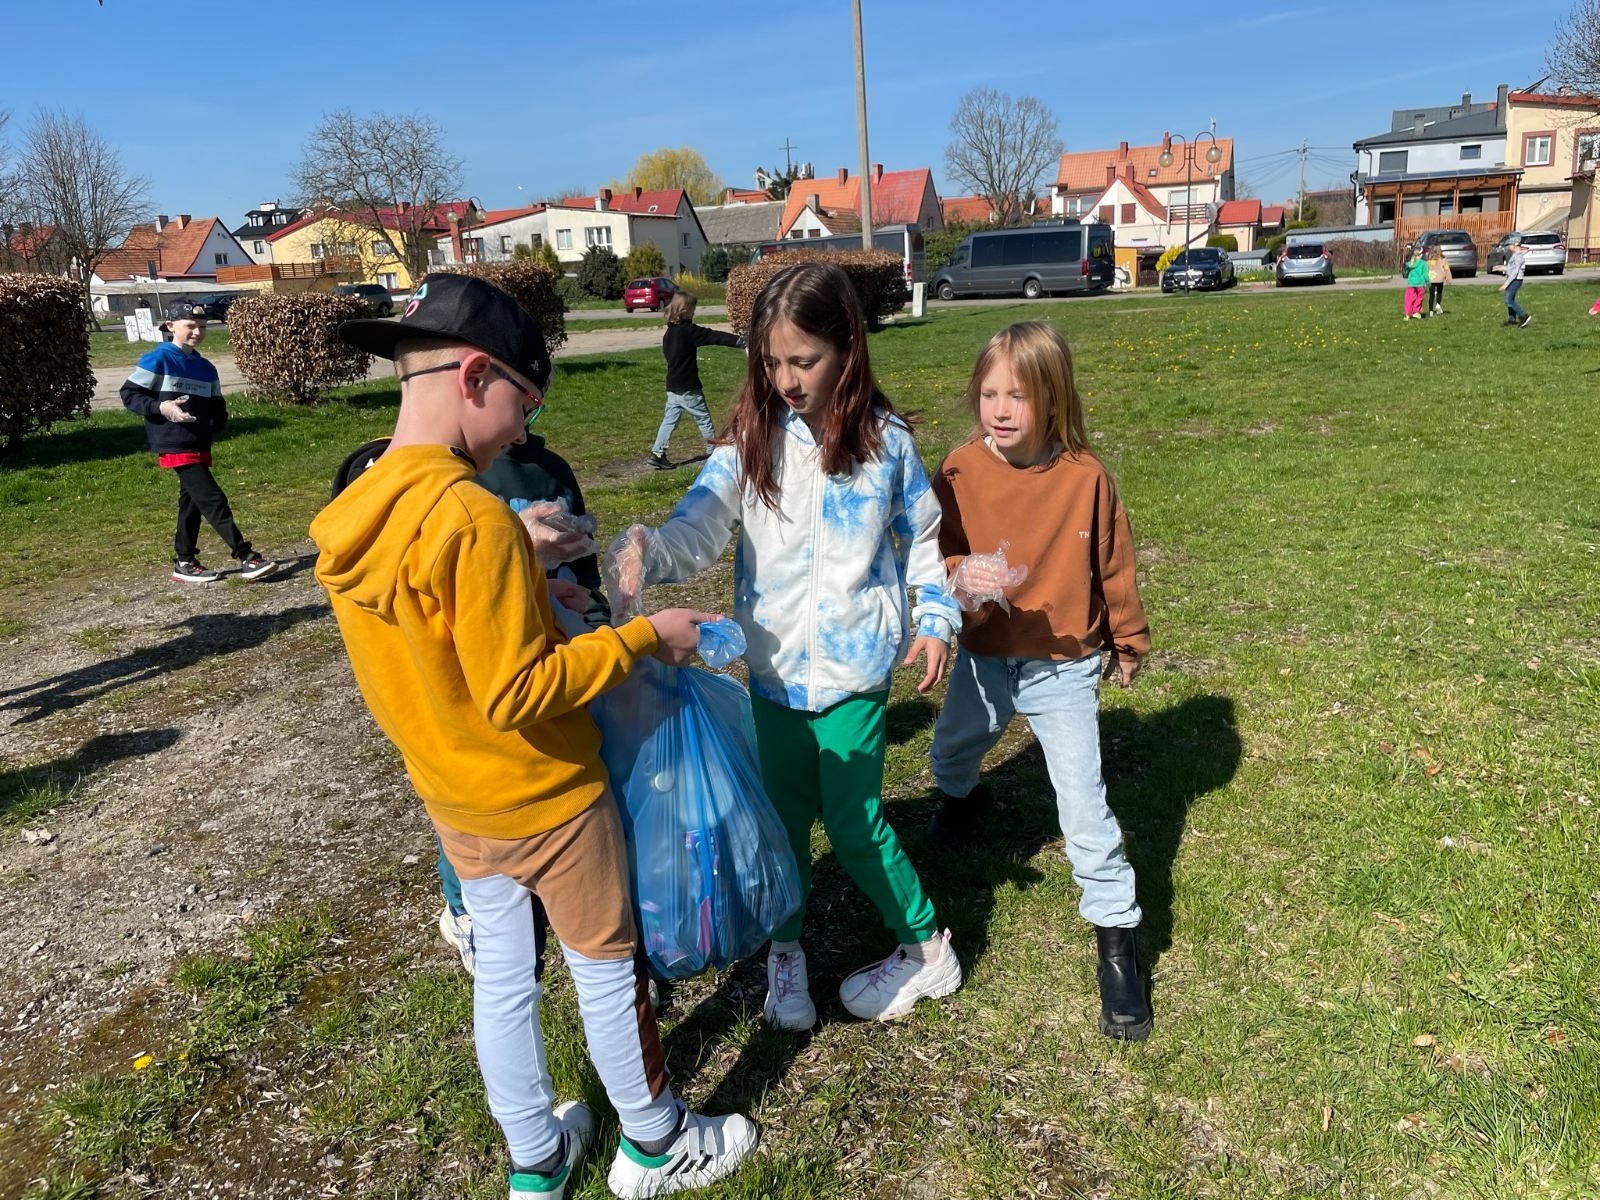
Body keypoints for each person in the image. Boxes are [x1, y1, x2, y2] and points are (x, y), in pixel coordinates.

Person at [310, 273, 756, 1199]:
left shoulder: (364, 510)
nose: (523, 428)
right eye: (523, 401)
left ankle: (536, 1159)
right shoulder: (473, 518)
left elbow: (442, 648)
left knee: (504, 982)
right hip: (547, 794)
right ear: (475, 376)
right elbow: (518, 691)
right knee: (606, 967)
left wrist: (529, 593)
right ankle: (655, 1141)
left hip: (455, 797)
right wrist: (645, 635)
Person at [609, 261, 965, 1030]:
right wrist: (654, 549)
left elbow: (925, 538)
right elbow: (701, 521)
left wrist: (935, 616)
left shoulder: (886, 444)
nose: (787, 379)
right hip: (772, 673)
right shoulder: (749, 439)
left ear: (847, 348)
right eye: (771, 363)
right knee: (780, 819)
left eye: (803, 361)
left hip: (855, 673)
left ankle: (926, 945)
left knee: (852, 820)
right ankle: (785, 949)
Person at [925, 322, 1154, 1042]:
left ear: (1052, 400)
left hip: (1065, 664)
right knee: (951, 750)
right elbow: (937, 551)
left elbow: (1114, 564)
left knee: (1084, 805)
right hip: (985, 656)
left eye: (1017, 395)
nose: (1000, 408)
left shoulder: (1086, 478)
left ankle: (1116, 937)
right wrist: (960, 575)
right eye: (989, 392)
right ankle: (962, 801)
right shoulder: (959, 470)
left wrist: (1128, 635)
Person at [328, 434, 605, 980]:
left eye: (534, 401)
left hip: (541, 657)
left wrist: (581, 599)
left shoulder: (548, 467)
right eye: (517, 395)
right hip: (467, 731)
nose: (523, 417)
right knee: (471, 838)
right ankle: (464, 913)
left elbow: (575, 565)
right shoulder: (430, 483)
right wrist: (518, 548)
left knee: (514, 965)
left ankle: (515, 922)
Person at [120, 298, 278, 584]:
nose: (196, 331)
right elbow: (130, 394)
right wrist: (162, 408)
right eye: (190, 326)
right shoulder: (158, 359)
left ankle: (184, 560)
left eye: (202, 326)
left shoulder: (205, 367)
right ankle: (246, 557)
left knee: (191, 503)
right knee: (212, 499)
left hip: (199, 442)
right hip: (175, 443)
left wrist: (215, 424)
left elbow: (217, 406)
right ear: (170, 326)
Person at [647, 291, 744, 471]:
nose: (694, 313)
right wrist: (739, 341)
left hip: (673, 386)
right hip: (688, 387)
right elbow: (714, 336)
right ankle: (713, 451)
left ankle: (657, 453)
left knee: (669, 421)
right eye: (693, 309)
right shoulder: (689, 331)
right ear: (686, 311)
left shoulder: (669, 333)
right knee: (703, 419)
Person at [1501, 240, 1531, 327]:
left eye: (1509, 245)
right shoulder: (1516, 255)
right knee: (1511, 300)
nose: (1508, 247)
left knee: (1508, 300)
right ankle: (1512, 319)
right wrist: (1502, 268)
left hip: (1516, 280)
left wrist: (1506, 283)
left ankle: (1524, 316)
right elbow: (1512, 268)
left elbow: (1515, 272)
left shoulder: (1518, 257)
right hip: (1513, 279)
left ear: (1515, 246)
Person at [1403, 248, 1429, 320]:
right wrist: (1428, 282)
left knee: (1409, 299)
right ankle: (1416, 312)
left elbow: (1406, 272)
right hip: (1420, 284)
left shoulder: (1411, 263)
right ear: (1420, 255)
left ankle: (1407, 314)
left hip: (1411, 284)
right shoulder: (1423, 263)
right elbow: (1425, 275)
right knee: (1419, 298)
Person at [1425, 245, 1451, 316]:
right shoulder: (1443, 260)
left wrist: (1425, 279)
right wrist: (1448, 278)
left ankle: (1430, 311)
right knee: (1439, 293)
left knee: (1431, 295)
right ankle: (1438, 305)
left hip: (1431, 279)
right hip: (1440, 279)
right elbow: (1446, 269)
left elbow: (1426, 269)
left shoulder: (1429, 260)